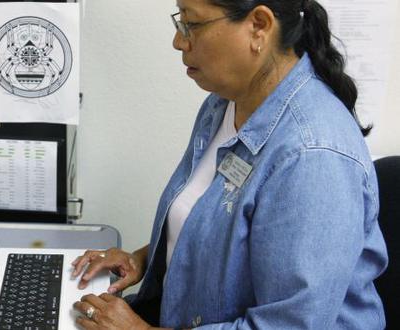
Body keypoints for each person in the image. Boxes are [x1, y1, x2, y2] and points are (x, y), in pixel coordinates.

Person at [72, 0, 388, 329]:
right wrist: (140, 259)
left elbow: (292, 325)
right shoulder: (224, 103)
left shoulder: (313, 156)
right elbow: (218, 229)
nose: (179, 41)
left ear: (259, 26)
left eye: (191, 24)